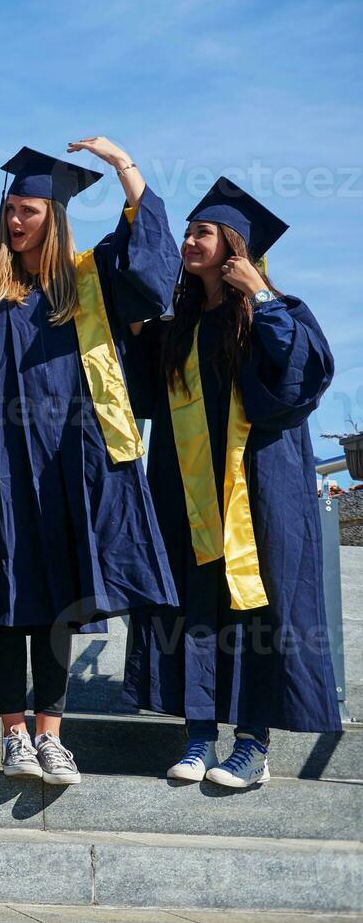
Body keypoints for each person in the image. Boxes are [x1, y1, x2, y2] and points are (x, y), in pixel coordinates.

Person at [0, 140, 181, 786]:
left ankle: (51, 736)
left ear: (54, 216)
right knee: (1, 602)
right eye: (10, 208)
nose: (15, 220)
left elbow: (153, 275)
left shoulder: (87, 278)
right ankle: (12, 735)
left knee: (53, 602)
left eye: (28, 210)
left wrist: (126, 168)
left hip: (67, 466)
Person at [123, 178, 339, 788]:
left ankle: (251, 743)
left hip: (261, 488)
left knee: (255, 608)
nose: (190, 242)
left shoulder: (277, 309)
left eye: (202, 233)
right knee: (194, 602)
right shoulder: (179, 326)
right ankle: (198, 735)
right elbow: (139, 388)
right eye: (189, 231)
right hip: (187, 485)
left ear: (234, 248)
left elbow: (298, 383)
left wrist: (264, 296)